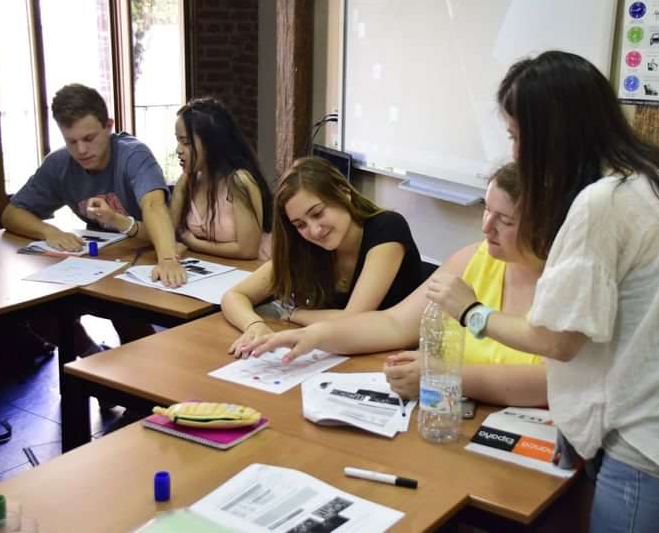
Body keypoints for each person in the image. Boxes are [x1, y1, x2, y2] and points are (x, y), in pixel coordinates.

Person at [428, 51, 659, 531]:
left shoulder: (602, 203)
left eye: (517, 136)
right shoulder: (658, 179)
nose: (514, 154)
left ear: (551, 133)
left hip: (643, 446)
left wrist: (472, 311)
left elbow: (558, 340)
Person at [235, 163, 547, 407]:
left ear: (545, 222)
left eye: (504, 220)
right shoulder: (472, 259)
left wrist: (443, 375)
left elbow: (553, 383)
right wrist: (312, 335)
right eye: (486, 210)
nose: (485, 227)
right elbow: (394, 323)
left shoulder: (569, 281)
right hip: (459, 419)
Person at [1, 83, 187, 355]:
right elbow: (11, 213)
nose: (81, 150)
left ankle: (135, 385)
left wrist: (168, 258)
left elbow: (154, 206)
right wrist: (47, 231)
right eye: (71, 141)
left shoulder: (133, 154)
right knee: (38, 309)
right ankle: (91, 356)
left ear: (109, 126)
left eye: (89, 138)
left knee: (129, 320)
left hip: (146, 253)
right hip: (100, 261)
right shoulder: (59, 164)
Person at [223, 156, 426, 357]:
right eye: (300, 225)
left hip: (397, 357)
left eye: (318, 213)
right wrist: (254, 325)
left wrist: (291, 313)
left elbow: (353, 320)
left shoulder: (387, 228)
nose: (314, 230)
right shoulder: (304, 245)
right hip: (341, 356)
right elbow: (234, 296)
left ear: (343, 192)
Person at [171, 97, 273, 260]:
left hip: (249, 271)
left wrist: (194, 243)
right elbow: (169, 233)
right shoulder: (192, 179)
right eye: (178, 141)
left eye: (186, 142)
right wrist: (180, 190)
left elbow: (247, 250)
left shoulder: (239, 181)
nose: (178, 150)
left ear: (211, 144)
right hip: (213, 268)